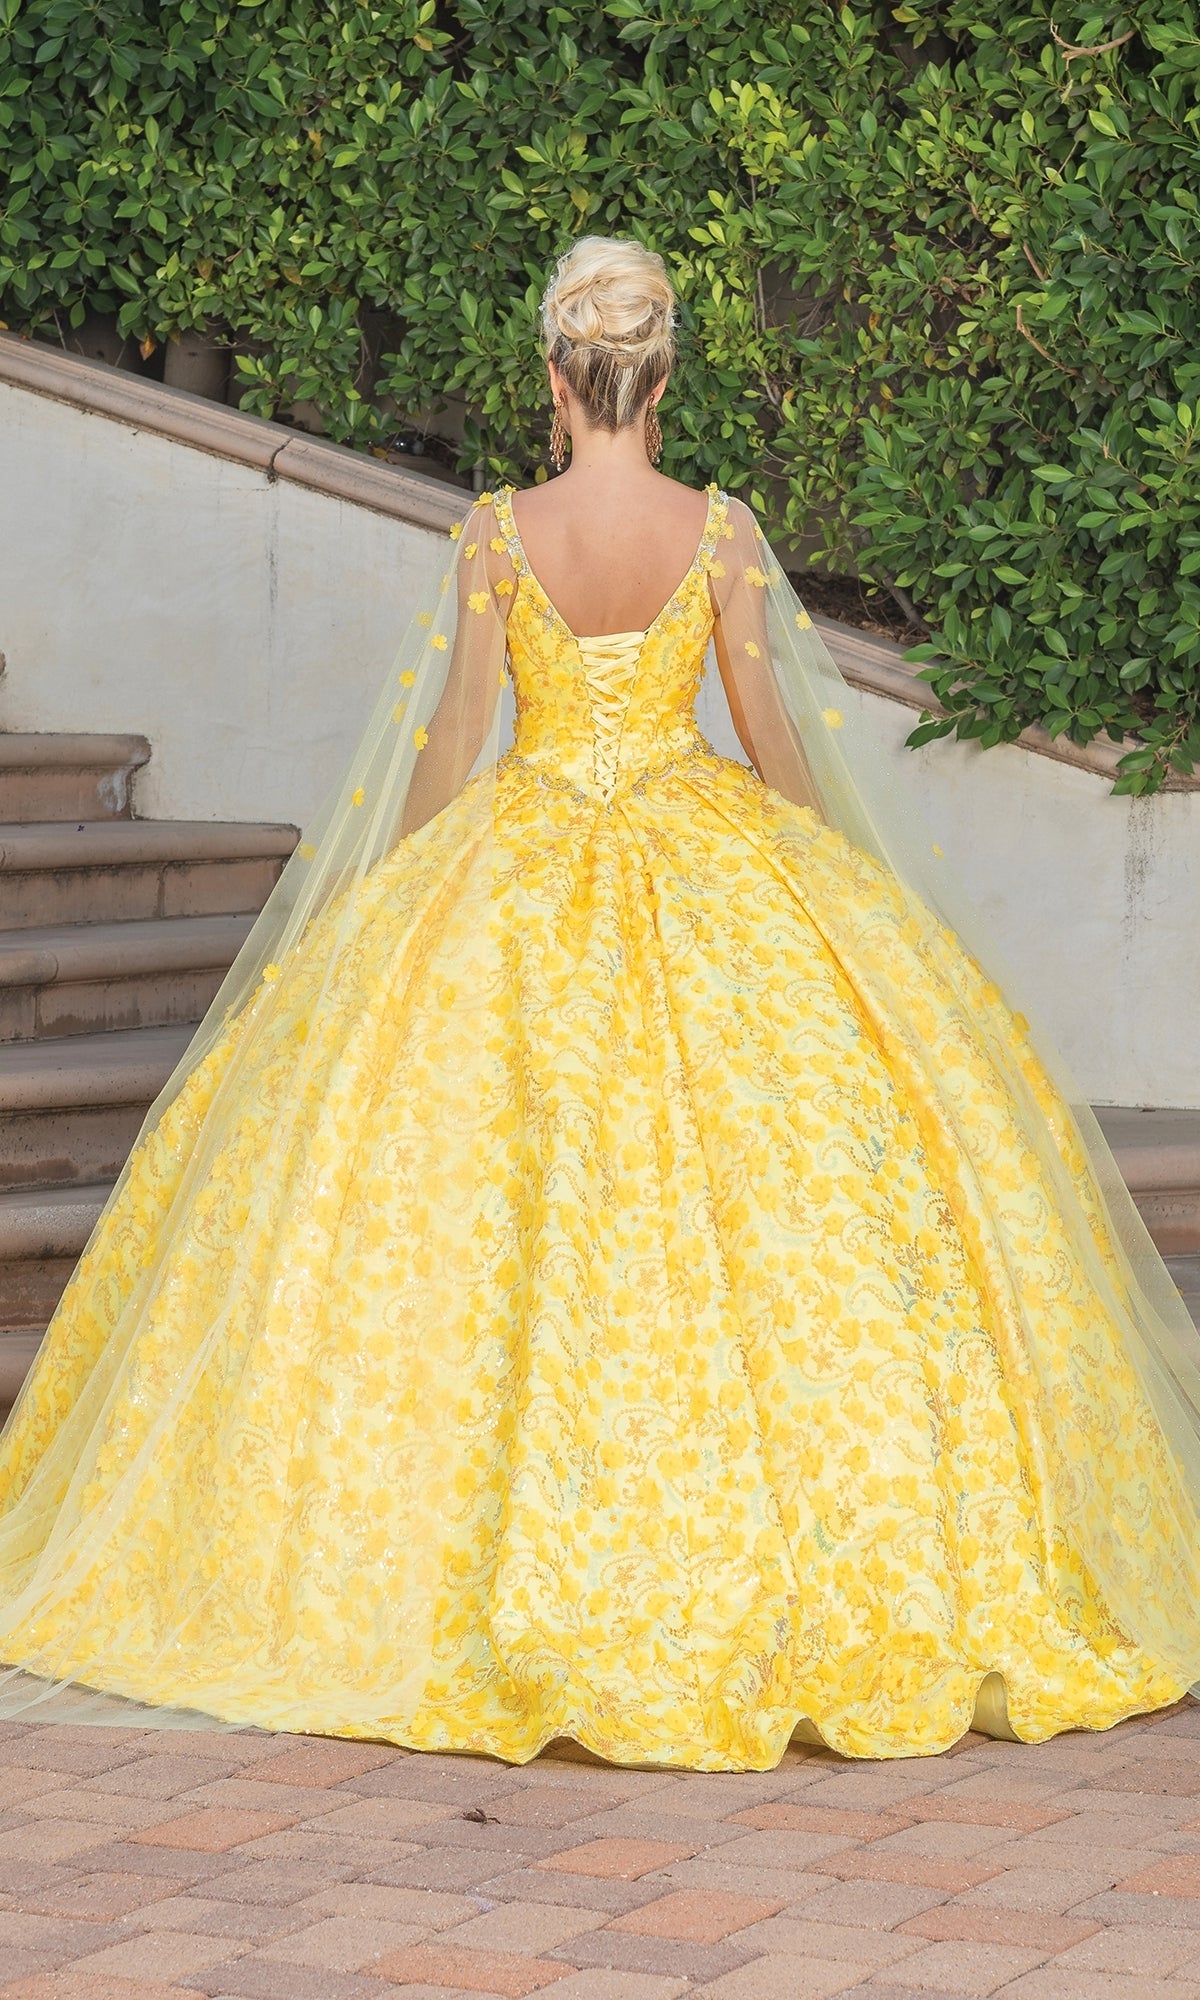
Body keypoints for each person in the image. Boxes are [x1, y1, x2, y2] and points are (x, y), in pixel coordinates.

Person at [1, 235, 1199, 1769]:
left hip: (525, 846)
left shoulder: (497, 532)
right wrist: (839, 908)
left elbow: (452, 744)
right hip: (712, 852)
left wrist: (394, 904)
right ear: (663, 372)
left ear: (554, 377)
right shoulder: (722, 532)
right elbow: (771, 731)